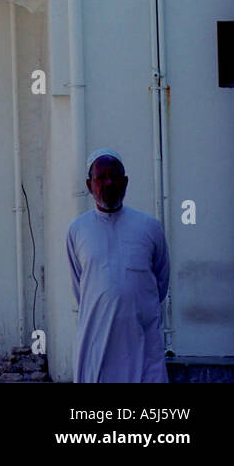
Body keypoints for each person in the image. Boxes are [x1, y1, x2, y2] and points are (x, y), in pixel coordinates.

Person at [65, 148, 170, 383]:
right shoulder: (77, 230)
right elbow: (81, 287)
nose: (108, 183)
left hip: (142, 341)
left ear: (126, 182)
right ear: (89, 185)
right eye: (101, 178)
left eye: (114, 177)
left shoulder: (150, 228)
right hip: (97, 343)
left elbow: (160, 284)